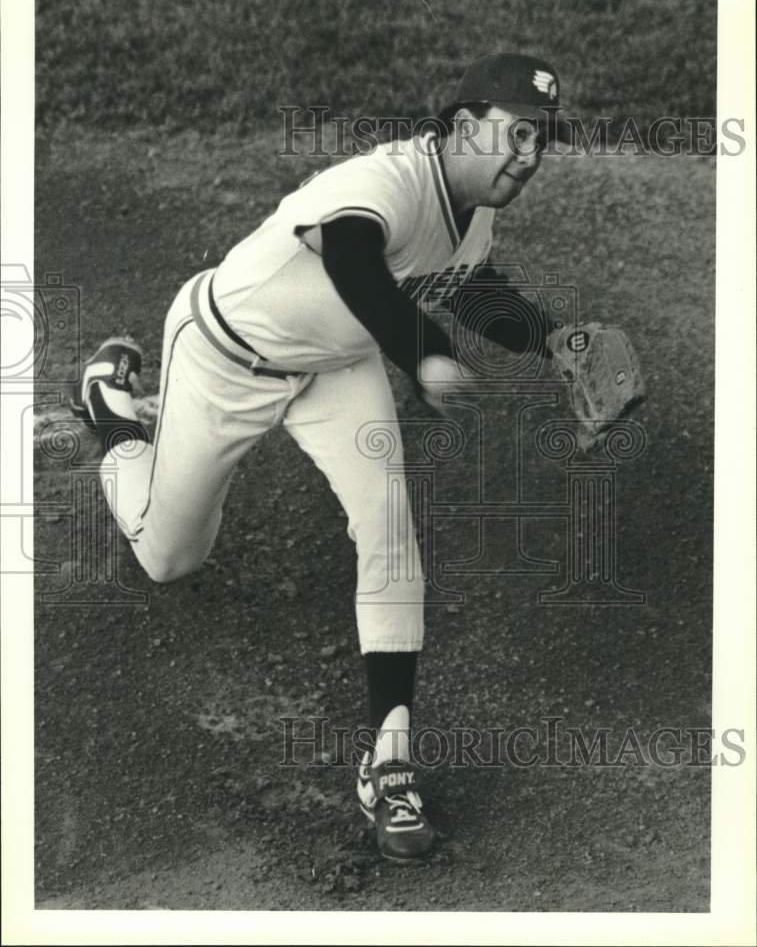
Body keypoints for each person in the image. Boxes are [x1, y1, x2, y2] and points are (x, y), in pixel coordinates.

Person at [71, 53, 565, 861]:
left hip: (335, 368)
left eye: (541, 140)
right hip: (223, 356)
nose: (528, 155)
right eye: (516, 133)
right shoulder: (389, 182)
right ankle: (117, 420)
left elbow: (476, 290)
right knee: (168, 557)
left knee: (389, 525)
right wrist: (422, 351)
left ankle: (391, 763)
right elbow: (352, 259)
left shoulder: (474, 217)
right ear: (464, 125)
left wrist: (556, 338)